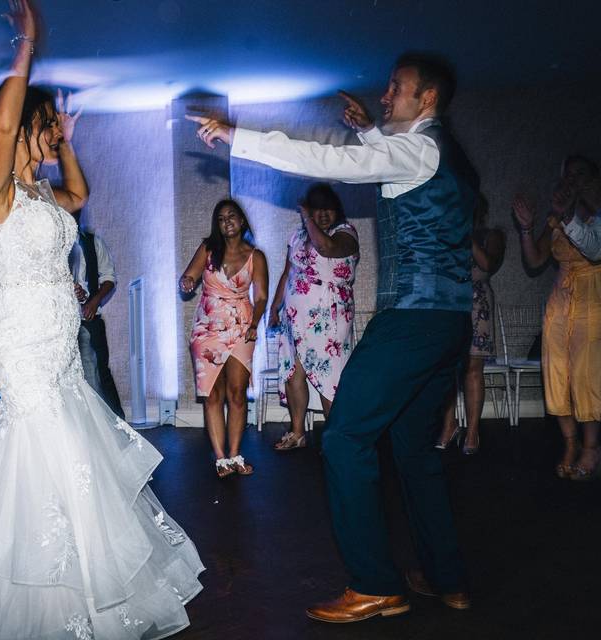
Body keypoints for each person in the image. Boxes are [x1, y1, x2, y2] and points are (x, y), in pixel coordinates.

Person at [0, 2, 203, 637]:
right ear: (23, 125)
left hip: (59, 334)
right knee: (42, 437)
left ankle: (83, 581)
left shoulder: (43, 193)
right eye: (45, 126)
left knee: (69, 434)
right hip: (23, 336)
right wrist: (25, 46)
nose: (51, 133)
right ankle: (42, 591)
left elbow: (80, 197)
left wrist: (71, 142)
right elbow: (3, 132)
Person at [189, 52, 476, 621]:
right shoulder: (443, 155)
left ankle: (374, 582)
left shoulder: (419, 149)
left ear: (428, 100)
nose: (386, 94)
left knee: (343, 437)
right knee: (414, 449)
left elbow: (327, 160)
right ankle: (447, 578)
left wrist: (237, 136)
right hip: (450, 323)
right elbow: (387, 154)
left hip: (413, 319)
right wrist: (370, 127)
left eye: (397, 87)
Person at [513, 156, 601, 480]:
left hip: (595, 298)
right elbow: (535, 260)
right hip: (561, 300)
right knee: (557, 373)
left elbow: (596, 251)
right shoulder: (555, 218)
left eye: (580, 174)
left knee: (587, 374)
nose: (572, 180)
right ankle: (570, 443)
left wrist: (568, 215)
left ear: (593, 177)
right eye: (567, 175)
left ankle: (591, 448)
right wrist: (527, 228)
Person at [267, 183, 359, 452]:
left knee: (329, 374)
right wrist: (275, 308)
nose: (323, 215)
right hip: (294, 317)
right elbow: (288, 273)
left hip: (329, 318)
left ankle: (335, 436)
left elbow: (326, 247)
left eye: (328, 209)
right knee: (294, 371)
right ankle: (298, 432)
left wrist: (307, 217)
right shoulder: (296, 237)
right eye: (317, 210)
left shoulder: (346, 233)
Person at [181, 199, 268, 477]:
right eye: (221, 218)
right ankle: (221, 459)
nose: (227, 221)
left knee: (237, 394)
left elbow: (262, 296)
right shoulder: (208, 249)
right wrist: (187, 282)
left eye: (232, 216)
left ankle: (235, 454)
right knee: (213, 395)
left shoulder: (256, 256)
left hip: (242, 327)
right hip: (207, 329)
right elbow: (189, 276)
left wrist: (255, 323)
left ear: (242, 221)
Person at [437, 195, 505, 454]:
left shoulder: (492, 235)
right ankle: (449, 425)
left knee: (472, 368)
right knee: (447, 368)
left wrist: (466, 236)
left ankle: (473, 432)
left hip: (477, 304)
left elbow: (488, 264)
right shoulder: (448, 234)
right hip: (451, 302)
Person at [69, 211, 125, 418]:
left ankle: (117, 425)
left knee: (99, 374)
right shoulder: (51, 245)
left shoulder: (92, 243)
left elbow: (109, 276)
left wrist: (93, 300)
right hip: (60, 322)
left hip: (89, 319)